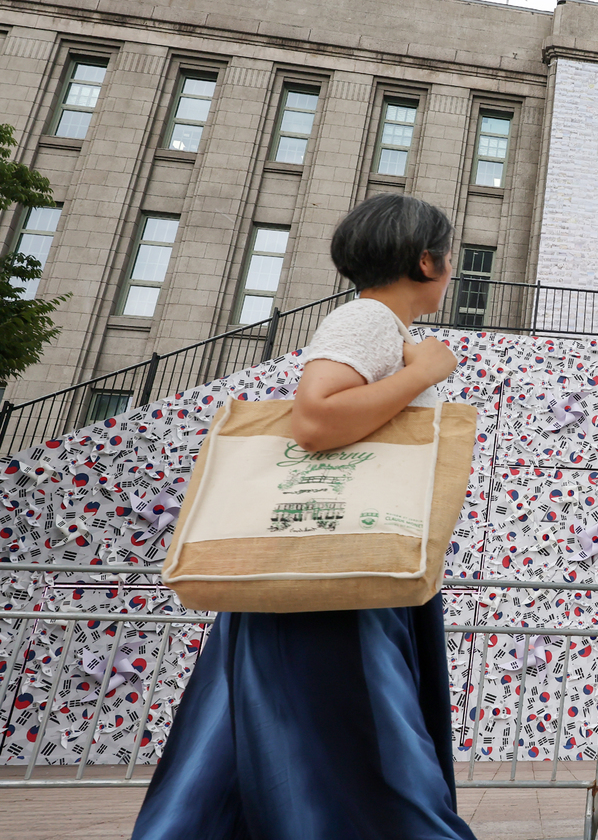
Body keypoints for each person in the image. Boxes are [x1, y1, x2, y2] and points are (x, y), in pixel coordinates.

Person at [131, 195, 476, 840]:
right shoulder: (370, 320)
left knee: (265, 747)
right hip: (336, 577)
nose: (452, 266)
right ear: (428, 261)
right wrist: (426, 372)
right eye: (449, 253)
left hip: (330, 564)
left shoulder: (379, 325)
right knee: (360, 747)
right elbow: (315, 419)